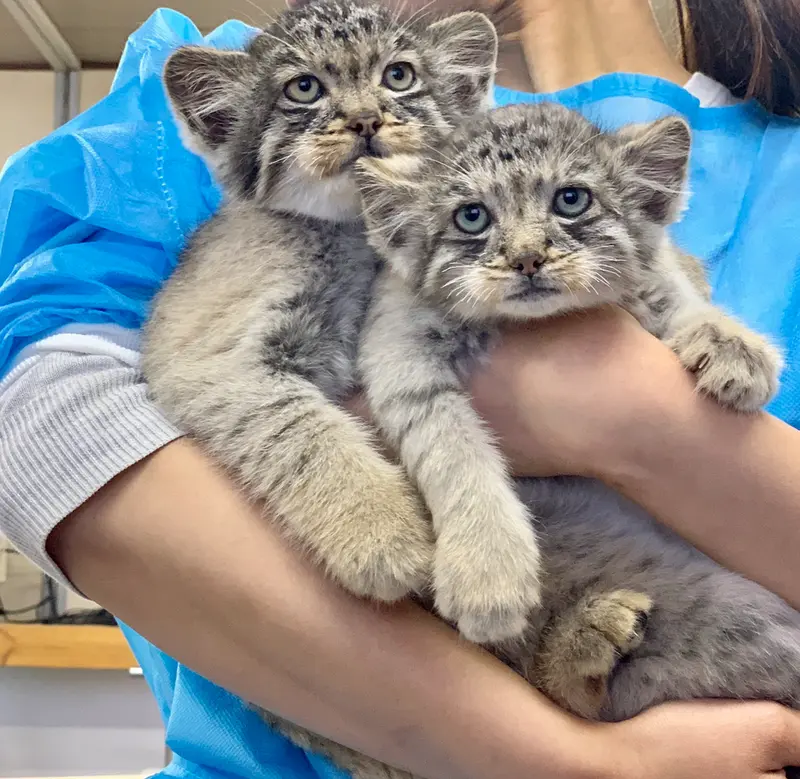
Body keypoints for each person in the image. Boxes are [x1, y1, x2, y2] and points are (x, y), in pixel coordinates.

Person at [2, 0, 800, 777]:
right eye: (310, 91)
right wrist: (568, 762)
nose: (360, 114)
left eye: (395, 78)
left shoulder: (774, 175)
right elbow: (45, 428)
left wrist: (638, 417)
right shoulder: (187, 131)